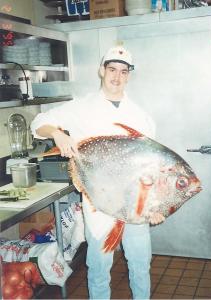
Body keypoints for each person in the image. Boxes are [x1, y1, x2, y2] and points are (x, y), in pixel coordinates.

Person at [31, 45, 165, 299]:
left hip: (135, 203)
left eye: (124, 71)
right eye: (112, 69)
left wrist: (155, 204)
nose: (117, 76)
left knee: (140, 264)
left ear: (129, 75)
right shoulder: (80, 107)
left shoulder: (142, 117)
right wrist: (58, 133)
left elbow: (151, 167)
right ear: (101, 70)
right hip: (99, 203)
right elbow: (39, 123)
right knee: (99, 267)